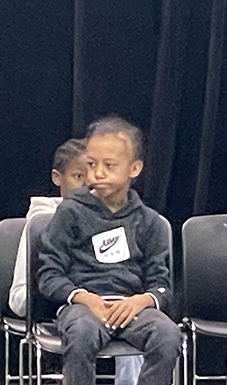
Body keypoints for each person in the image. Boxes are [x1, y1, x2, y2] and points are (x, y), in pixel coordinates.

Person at [37, 116, 181, 385]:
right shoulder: (70, 212)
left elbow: (162, 283)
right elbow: (48, 274)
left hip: (130, 307)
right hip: (83, 307)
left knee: (167, 335)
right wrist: (84, 298)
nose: (98, 173)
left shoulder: (149, 221)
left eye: (109, 165)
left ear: (134, 168)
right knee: (81, 333)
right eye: (91, 165)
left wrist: (143, 300)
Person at [8, 138, 143, 384]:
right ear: (57, 178)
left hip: (111, 313)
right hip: (60, 313)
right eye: (79, 176)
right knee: (81, 328)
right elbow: (19, 297)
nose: (88, 184)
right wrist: (68, 298)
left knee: (144, 324)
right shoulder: (40, 225)